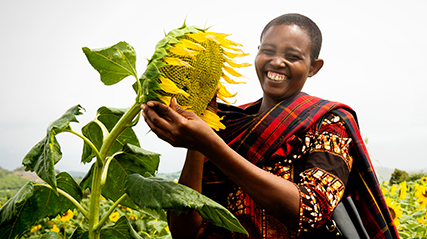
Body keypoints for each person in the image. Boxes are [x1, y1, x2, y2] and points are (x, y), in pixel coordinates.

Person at [141, 13, 398, 239]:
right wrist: (199, 136)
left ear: (313, 67)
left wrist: (209, 143)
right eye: (268, 50)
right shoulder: (226, 124)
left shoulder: (328, 123)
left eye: (293, 56)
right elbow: (185, 232)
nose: (276, 62)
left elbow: (310, 211)